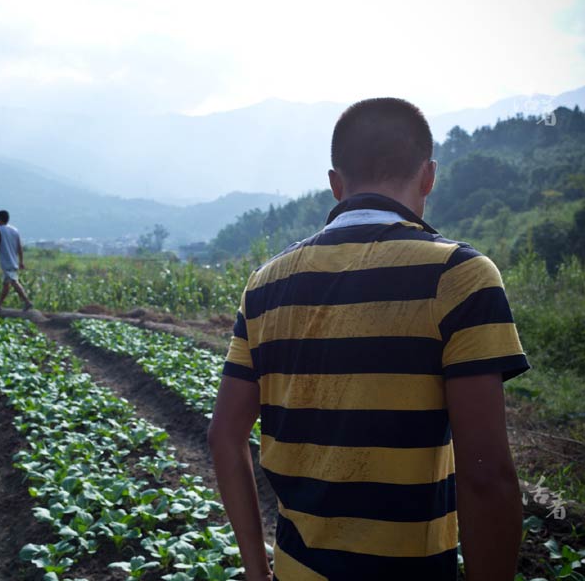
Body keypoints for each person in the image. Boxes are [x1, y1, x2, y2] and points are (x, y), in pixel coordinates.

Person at [208, 97, 529, 581]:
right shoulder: (458, 276)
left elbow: (224, 436)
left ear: (335, 184)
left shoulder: (265, 285)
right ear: (429, 176)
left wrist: (257, 571)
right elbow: (485, 475)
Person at [0, 209, 34, 311]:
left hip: (7, 262)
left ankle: (27, 302)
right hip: (13, 261)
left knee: (14, 282)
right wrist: (21, 261)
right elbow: (19, 247)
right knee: (6, 284)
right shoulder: (15, 230)